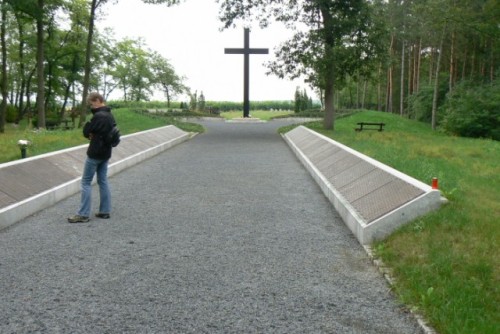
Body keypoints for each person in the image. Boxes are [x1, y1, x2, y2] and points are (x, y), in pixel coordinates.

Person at [68, 92, 116, 223]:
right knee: (103, 181)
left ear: (97, 100)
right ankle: (105, 211)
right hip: (106, 153)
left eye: (91, 103)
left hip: (94, 153)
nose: (91, 106)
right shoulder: (110, 116)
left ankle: (83, 214)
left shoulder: (99, 116)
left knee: (85, 182)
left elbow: (86, 131)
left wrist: (90, 130)